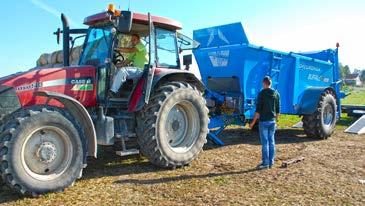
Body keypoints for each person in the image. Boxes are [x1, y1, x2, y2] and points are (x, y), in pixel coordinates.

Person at [249, 76, 280, 170]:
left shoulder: (262, 94)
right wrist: (276, 120)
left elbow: (258, 111)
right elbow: (278, 109)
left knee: (265, 143)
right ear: (270, 83)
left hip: (264, 122)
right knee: (272, 142)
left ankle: (265, 163)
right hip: (272, 121)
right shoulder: (276, 93)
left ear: (264, 83)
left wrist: (253, 123)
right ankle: (271, 162)